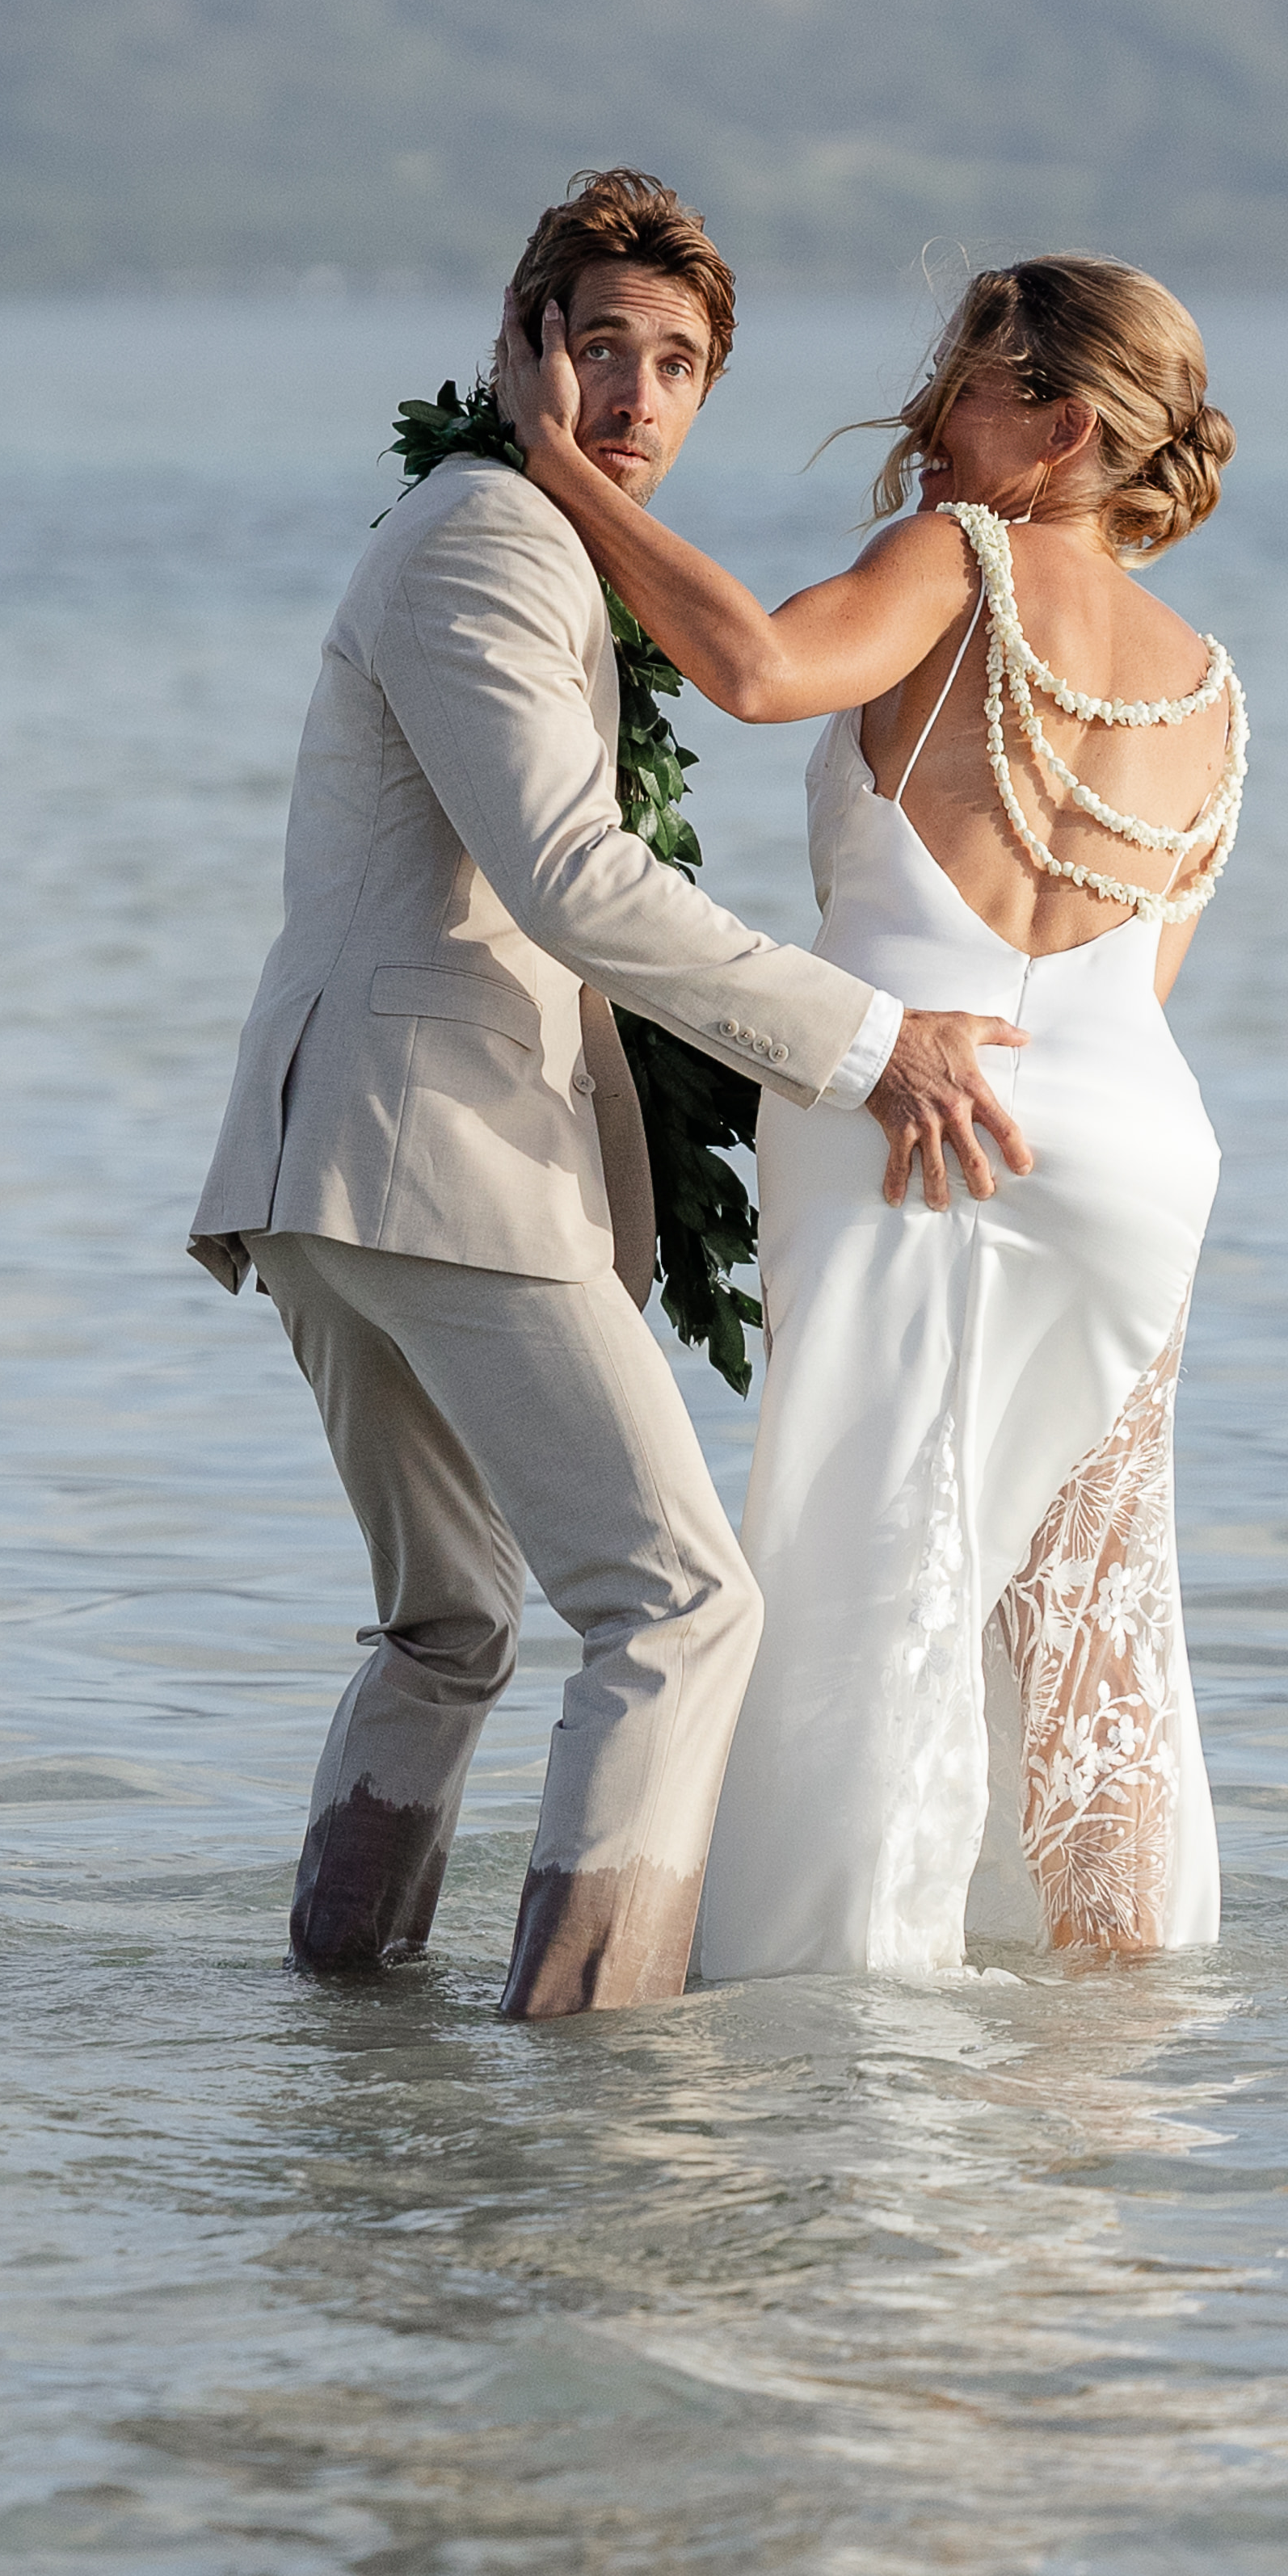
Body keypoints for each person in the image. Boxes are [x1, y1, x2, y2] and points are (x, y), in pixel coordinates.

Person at [187, 172, 1039, 2019]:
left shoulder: (508, 536)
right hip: (436, 1157)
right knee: (681, 1608)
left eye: (675, 365)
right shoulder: (490, 537)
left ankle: (343, 2029)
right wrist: (872, 1042)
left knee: (452, 1625)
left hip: (343, 1163)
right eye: (596, 351)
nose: (636, 398)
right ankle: (593, 2066)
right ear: (519, 355)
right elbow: (575, 878)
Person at [508, 258, 1246, 1976]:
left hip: (924, 1120)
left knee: (873, 1558)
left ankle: (843, 1998)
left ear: (1058, 432)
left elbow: (761, 670)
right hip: (1136, 1150)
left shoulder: (959, 557)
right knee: (1091, 1596)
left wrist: (557, 467)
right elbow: (1139, 993)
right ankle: (1111, 2005)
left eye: (967, 386)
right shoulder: (1212, 684)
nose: (927, 421)